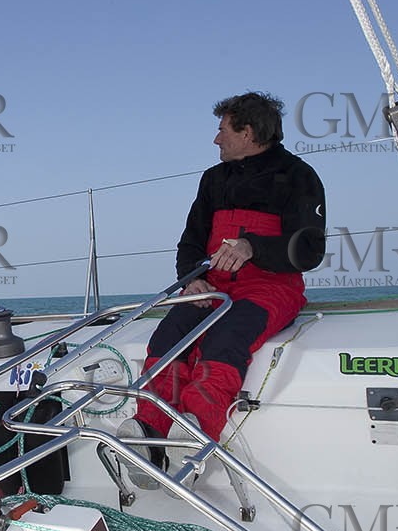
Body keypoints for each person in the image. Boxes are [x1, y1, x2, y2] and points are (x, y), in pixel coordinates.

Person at [117, 93, 326, 487]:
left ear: (247, 133)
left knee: (226, 338)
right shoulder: (213, 180)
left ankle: (196, 432)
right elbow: (191, 241)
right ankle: (148, 432)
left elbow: (310, 249)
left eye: (222, 129)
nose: (216, 139)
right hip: (210, 284)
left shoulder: (299, 177)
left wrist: (253, 248)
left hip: (271, 287)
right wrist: (190, 277)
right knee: (169, 334)